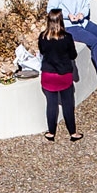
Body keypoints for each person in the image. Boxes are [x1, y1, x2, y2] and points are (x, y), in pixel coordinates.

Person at [36, 13, 82, 141]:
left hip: (48, 75)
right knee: (68, 104)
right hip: (63, 75)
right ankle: (72, 132)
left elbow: (42, 52)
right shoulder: (67, 37)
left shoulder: (43, 37)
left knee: (51, 104)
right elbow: (73, 55)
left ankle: (51, 132)